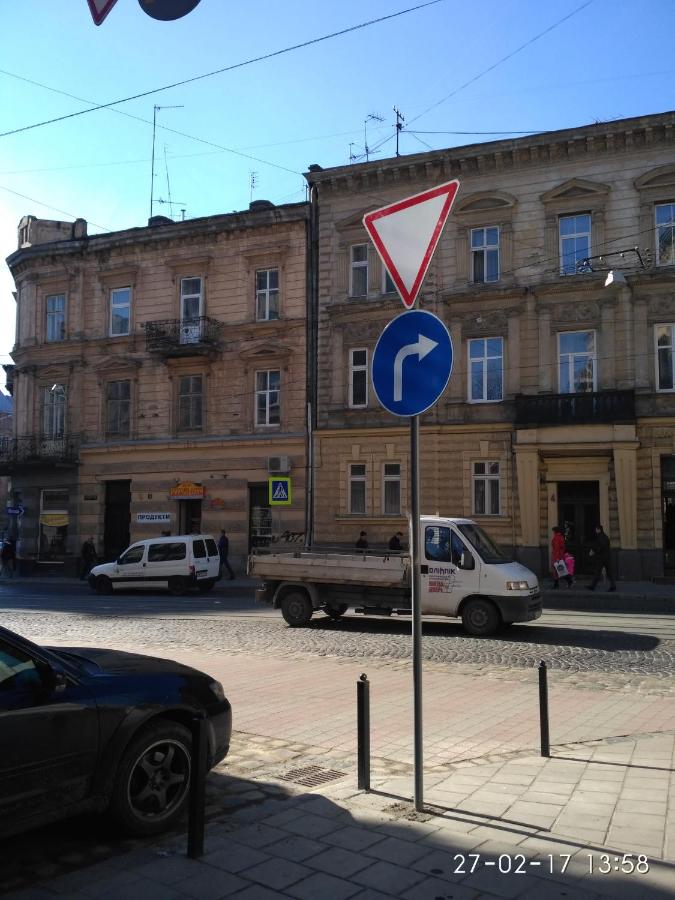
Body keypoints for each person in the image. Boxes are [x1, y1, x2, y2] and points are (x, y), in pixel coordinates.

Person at [587, 524, 616, 591]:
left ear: (599, 530)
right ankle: (613, 585)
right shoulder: (605, 536)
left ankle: (592, 586)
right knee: (609, 572)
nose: (595, 531)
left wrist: (594, 551)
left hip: (601, 558)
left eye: (596, 529)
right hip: (607, 557)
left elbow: (601, 546)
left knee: (597, 572)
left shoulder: (601, 537)